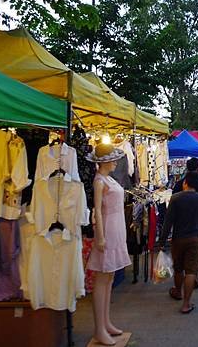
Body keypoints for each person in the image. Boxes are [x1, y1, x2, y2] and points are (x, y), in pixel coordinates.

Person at [86, 144, 132, 346]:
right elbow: (96, 210)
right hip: (108, 228)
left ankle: (106, 323)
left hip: (117, 227)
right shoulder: (99, 181)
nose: (115, 162)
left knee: (110, 277)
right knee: (102, 279)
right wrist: (101, 236)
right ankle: (99, 328)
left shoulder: (109, 179)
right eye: (112, 159)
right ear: (104, 161)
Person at [157, 172, 198, 314]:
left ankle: (177, 292)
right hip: (195, 238)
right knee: (191, 271)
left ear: (185, 183)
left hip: (178, 238)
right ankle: (186, 304)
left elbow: (168, 222)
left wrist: (161, 241)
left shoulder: (175, 198)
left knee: (178, 268)